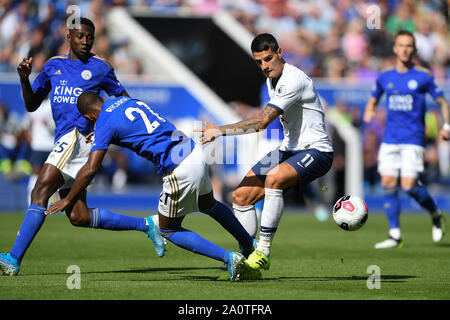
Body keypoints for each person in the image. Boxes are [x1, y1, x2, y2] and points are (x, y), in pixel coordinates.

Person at [0, 17, 164, 276]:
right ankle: (146, 224)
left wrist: (106, 131)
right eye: (80, 36)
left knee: (40, 191)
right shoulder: (53, 66)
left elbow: (125, 103)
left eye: (90, 37)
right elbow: (32, 105)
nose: (86, 41)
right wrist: (24, 80)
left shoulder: (101, 68)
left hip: (78, 140)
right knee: (79, 216)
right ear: (69, 38)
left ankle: (13, 258)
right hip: (64, 142)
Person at [45, 92, 257, 281]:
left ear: (89, 117)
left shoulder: (103, 123)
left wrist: (68, 198)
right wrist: (102, 134)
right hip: (193, 152)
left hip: (177, 168)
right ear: (102, 99)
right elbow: (136, 131)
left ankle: (230, 259)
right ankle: (249, 245)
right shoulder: (124, 101)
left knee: (167, 229)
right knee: (209, 205)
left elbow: (90, 169)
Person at [197, 33, 334, 272]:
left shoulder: (294, 79)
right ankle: (247, 258)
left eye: (268, 59)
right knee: (240, 197)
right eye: (259, 62)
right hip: (288, 150)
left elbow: (261, 122)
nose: (264, 66)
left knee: (274, 179)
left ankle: (264, 251)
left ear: (280, 52)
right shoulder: (271, 81)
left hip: (317, 150)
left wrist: (220, 131)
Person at [363, 30, 449, 249]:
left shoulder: (423, 76)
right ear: (395, 48)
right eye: (401, 45)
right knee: (388, 183)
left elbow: (442, 102)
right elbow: (373, 100)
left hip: (413, 139)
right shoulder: (385, 77)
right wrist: (370, 110)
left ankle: (435, 213)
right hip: (390, 139)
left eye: (409, 46)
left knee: (409, 186)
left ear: (414, 50)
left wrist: (446, 126)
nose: (405, 49)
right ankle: (395, 234)